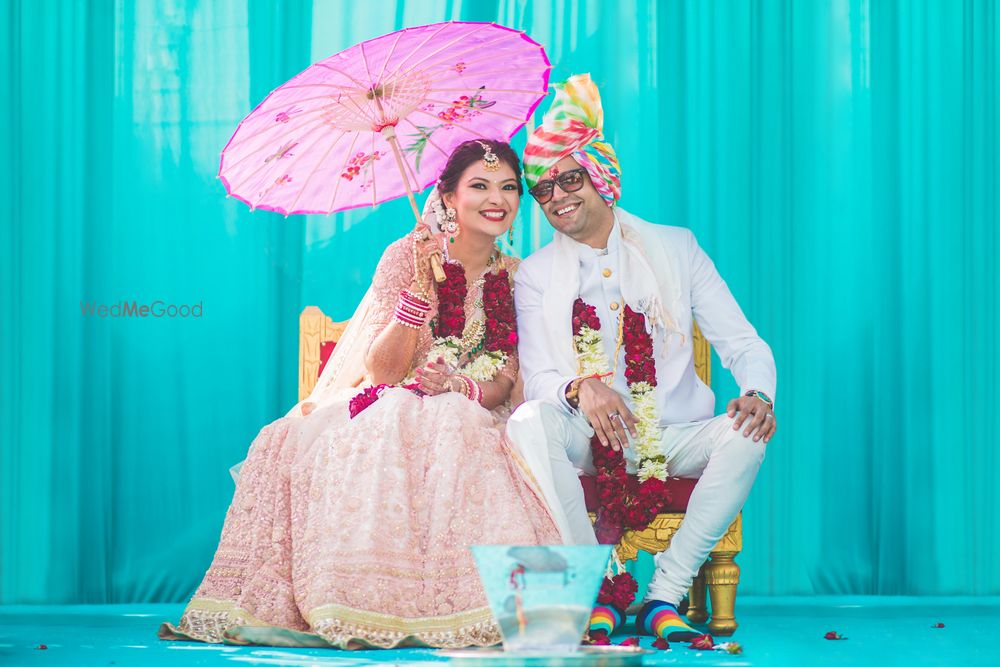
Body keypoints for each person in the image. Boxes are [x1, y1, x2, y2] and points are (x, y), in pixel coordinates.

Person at [159, 139, 560, 649]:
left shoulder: (516, 274)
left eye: (507, 187)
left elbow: (507, 376)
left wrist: (460, 385)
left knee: (458, 423)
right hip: (394, 400)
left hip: (478, 408)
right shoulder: (406, 257)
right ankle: (370, 601)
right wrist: (418, 291)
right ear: (447, 197)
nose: (495, 198)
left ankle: (485, 604)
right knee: (374, 422)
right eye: (478, 186)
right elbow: (384, 371)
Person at [506, 74, 777, 642]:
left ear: (601, 175)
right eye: (542, 189)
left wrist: (758, 392)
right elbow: (536, 380)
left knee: (749, 432)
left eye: (569, 179)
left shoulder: (676, 248)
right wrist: (580, 389)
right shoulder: (533, 275)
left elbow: (743, 344)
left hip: (675, 435)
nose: (557, 198)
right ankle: (599, 588)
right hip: (590, 436)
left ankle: (664, 594)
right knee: (531, 421)